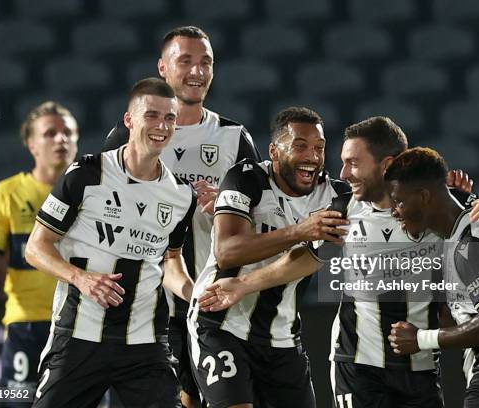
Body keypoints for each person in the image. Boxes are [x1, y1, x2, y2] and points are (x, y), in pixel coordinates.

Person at [198, 117, 479, 408]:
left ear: (387, 165)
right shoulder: (345, 208)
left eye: (353, 163)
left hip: (419, 367)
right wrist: (243, 284)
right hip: (357, 366)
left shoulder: (434, 203)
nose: (343, 173)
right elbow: (303, 260)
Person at [103, 26, 261, 407]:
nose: (197, 71)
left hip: (209, 301)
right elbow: (102, 221)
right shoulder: (126, 140)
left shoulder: (234, 137)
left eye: (205, 62)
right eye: (185, 60)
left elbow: (264, 219)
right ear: (163, 67)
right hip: (146, 304)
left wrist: (227, 206)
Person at [25, 78, 196, 408]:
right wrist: (81, 278)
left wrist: (196, 295)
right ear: (129, 120)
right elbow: (36, 247)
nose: (162, 126)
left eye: (170, 118)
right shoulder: (86, 175)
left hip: (145, 344)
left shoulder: (181, 196)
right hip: (79, 338)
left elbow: (171, 263)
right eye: (151, 115)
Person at [187, 106, 350, 408]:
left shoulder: (335, 197)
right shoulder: (245, 179)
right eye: (300, 146)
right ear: (274, 151)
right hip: (222, 322)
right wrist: (299, 231)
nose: (312, 157)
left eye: (319, 148)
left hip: (283, 337)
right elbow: (226, 252)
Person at [385, 147, 479, 408]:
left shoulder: (469, 243)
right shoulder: (461, 227)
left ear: (424, 197)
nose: (395, 211)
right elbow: (453, 316)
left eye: (399, 201)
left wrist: (421, 339)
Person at [0, 101, 79, 405]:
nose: (61, 139)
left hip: (82, 327)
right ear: (32, 145)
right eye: (50, 133)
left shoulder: (94, 195)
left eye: (68, 132)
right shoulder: (8, 194)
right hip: (27, 326)